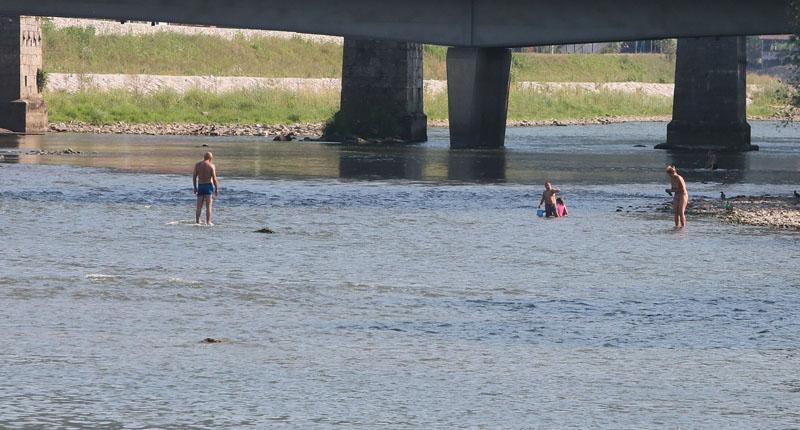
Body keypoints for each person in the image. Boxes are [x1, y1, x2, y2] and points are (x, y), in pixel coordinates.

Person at [193, 152, 220, 225]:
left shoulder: (197, 165)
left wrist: (195, 187)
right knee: (208, 206)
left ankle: (197, 221)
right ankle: (208, 222)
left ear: (204, 157)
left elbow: (194, 177)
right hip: (208, 186)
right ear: (210, 158)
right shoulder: (211, 166)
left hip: (200, 186)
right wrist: (216, 188)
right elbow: (214, 178)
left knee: (199, 206)